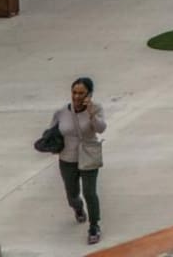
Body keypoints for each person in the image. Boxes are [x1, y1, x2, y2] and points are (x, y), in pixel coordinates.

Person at [52, 77, 106, 245]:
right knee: (72, 194)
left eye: (81, 93)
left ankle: (94, 225)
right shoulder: (61, 112)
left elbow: (101, 128)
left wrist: (91, 113)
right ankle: (78, 207)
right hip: (67, 159)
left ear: (89, 94)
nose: (76, 96)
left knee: (90, 192)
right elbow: (52, 130)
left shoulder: (96, 108)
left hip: (88, 156)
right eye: (74, 92)